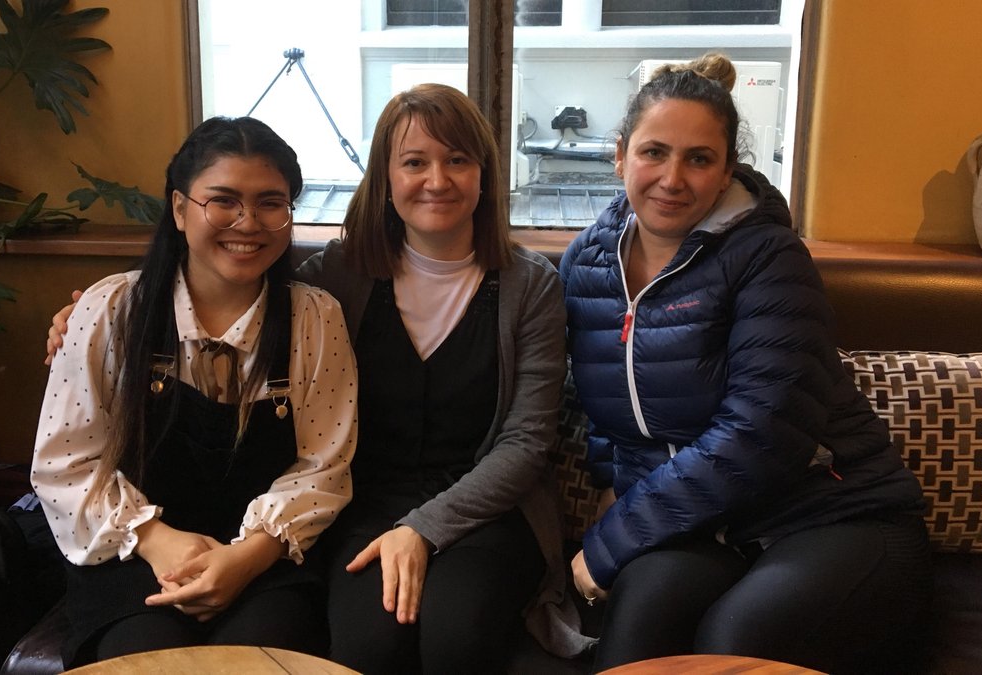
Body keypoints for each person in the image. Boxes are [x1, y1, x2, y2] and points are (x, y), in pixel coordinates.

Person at [46, 84, 588, 673]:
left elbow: (526, 439)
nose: (437, 179)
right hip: (361, 507)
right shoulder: (339, 277)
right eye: (414, 162)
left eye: (458, 159)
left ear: (485, 174)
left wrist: (421, 530)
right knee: (365, 649)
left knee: (458, 636)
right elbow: (72, 455)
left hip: (480, 510)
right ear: (384, 177)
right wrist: (77, 324)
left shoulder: (523, 286)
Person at [559, 54, 931, 674]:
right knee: (632, 640)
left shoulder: (769, 258)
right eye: (654, 152)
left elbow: (763, 433)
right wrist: (610, 483)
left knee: (732, 643)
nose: (672, 178)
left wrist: (612, 540)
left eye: (698, 159)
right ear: (620, 155)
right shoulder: (587, 265)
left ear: (728, 168)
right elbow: (603, 402)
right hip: (705, 529)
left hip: (837, 518)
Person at [32, 116, 357, 668]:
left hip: (264, 556)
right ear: (181, 209)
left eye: (270, 203)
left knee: (265, 656)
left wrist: (247, 558)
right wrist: (161, 541)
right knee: (142, 657)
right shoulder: (112, 311)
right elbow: (66, 464)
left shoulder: (314, 317)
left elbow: (323, 466)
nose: (247, 222)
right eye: (222, 200)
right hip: (128, 552)